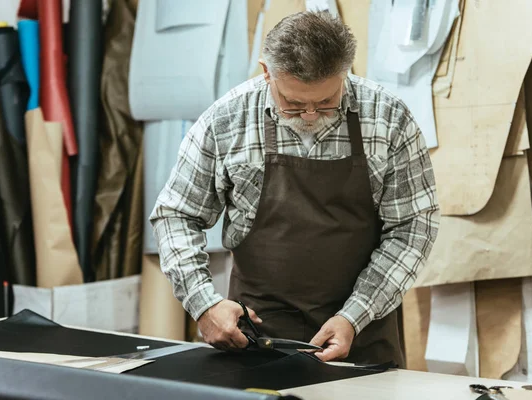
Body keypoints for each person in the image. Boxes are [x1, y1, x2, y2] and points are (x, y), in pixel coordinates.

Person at [149, 10, 439, 367]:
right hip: (256, 335)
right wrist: (203, 302)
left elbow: (414, 226)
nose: (311, 116)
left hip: (362, 332)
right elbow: (176, 214)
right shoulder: (226, 120)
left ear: (344, 72)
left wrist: (355, 315)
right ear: (266, 71)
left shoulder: (388, 118)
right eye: (294, 104)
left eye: (327, 101)